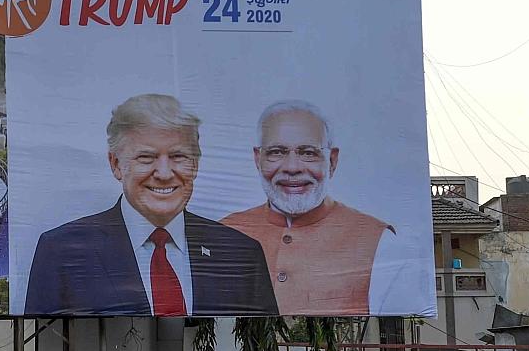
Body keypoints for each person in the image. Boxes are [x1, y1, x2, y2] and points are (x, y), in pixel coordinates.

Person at [24, 94, 276, 316]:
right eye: (146, 158)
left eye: (179, 156)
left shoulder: (241, 254)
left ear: (196, 165)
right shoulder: (62, 251)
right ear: (116, 164)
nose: (164, 173)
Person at [221, 101, 405, 315]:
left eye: (308, 153)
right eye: (277, 152)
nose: (292, 168)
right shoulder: (224, 233)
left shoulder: (378, 241)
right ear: (257, 159)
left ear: (332, 160)